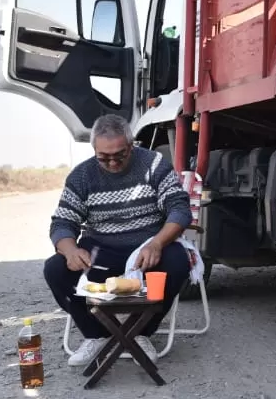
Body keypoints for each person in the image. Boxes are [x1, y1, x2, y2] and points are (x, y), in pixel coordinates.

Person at [43, 113, 193, 367]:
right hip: (101, 252)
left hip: (147, 249)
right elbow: (62, 222)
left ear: (131, 145)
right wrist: (69, 250)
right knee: (55, 268)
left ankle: (139, 332)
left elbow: (179, 208)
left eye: (119, 155)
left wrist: (157, 242)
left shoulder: (154, 164)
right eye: (104, 157)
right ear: (94, 149)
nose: (112, 162)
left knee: (178, 262)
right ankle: (96, 334)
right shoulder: (81, 176)